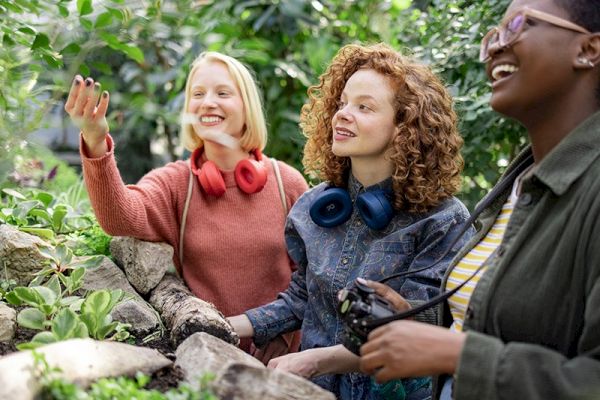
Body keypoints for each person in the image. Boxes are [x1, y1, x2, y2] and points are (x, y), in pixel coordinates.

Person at [358, 0, 600, 399]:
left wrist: (460, 354)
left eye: (519, 25)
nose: (493, 48)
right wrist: (418, 323)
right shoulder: (518, 183)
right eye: (492, 36)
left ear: (587, 50)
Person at [228, 43, 473, 400]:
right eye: (342, 103)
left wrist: (316, 360)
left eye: (364, 107)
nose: (342, 114)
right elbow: (301, 300)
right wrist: (225, 324)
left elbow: (421, 330)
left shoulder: (443, 221)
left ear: (404, 127)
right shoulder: (312, 208)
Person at [64, 51, 309, 356]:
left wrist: (282, 346)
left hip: (283, 363)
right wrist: (95, 140)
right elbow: (118, 218)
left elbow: (311, 282)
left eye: (223, 93)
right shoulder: (176, 183)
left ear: (247, 107)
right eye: (198, 94)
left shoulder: (288, 183)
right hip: (207, 358)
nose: (208, 102)